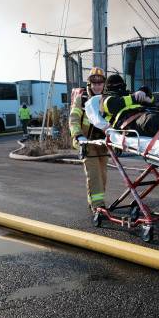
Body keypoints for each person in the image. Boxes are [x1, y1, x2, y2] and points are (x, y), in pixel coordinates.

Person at [87, 74, 159, 146]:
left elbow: (150, 100)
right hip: (128, 122)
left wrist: (144, 91)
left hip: (143, 115)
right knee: (154, 121)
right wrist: (135, 97)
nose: (120, 88)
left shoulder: (129, 95)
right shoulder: (105, 99)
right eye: (117, 86)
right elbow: (115, 105)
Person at [69, 67, 108, 212]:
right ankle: (98, 206)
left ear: (104, 83)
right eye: (94, 83)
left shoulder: (107, 99)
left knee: (102, 175)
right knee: (94, 174)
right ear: (89, 83)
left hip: (103, 143)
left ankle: (96, 201)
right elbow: (73, 119)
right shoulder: (82, 99)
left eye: (100, 83)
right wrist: (78, 136)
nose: (97, 86)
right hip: (87, 142)